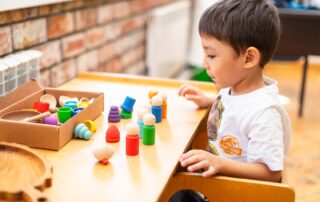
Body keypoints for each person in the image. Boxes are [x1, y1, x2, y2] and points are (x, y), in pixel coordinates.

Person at [178, 0, 291, 184]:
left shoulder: (264, 114)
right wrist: (209, 100)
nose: (204, 64)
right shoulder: (233, 87)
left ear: (249, 58)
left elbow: (270, 173)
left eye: (212, 56)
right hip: (217, 181)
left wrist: (220, 164)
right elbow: (235, 106)